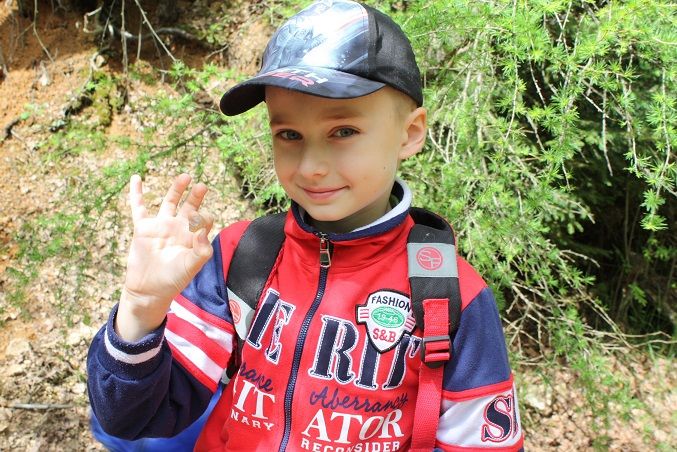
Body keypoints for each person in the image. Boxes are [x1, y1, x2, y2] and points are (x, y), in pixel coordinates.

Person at [87, 1, 524, 450]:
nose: (311, 166)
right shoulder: (242, 255)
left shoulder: (450, 296)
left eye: (344, 132)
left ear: (410, 133)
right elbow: (134, 418)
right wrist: (142, 309)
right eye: (289, 135)